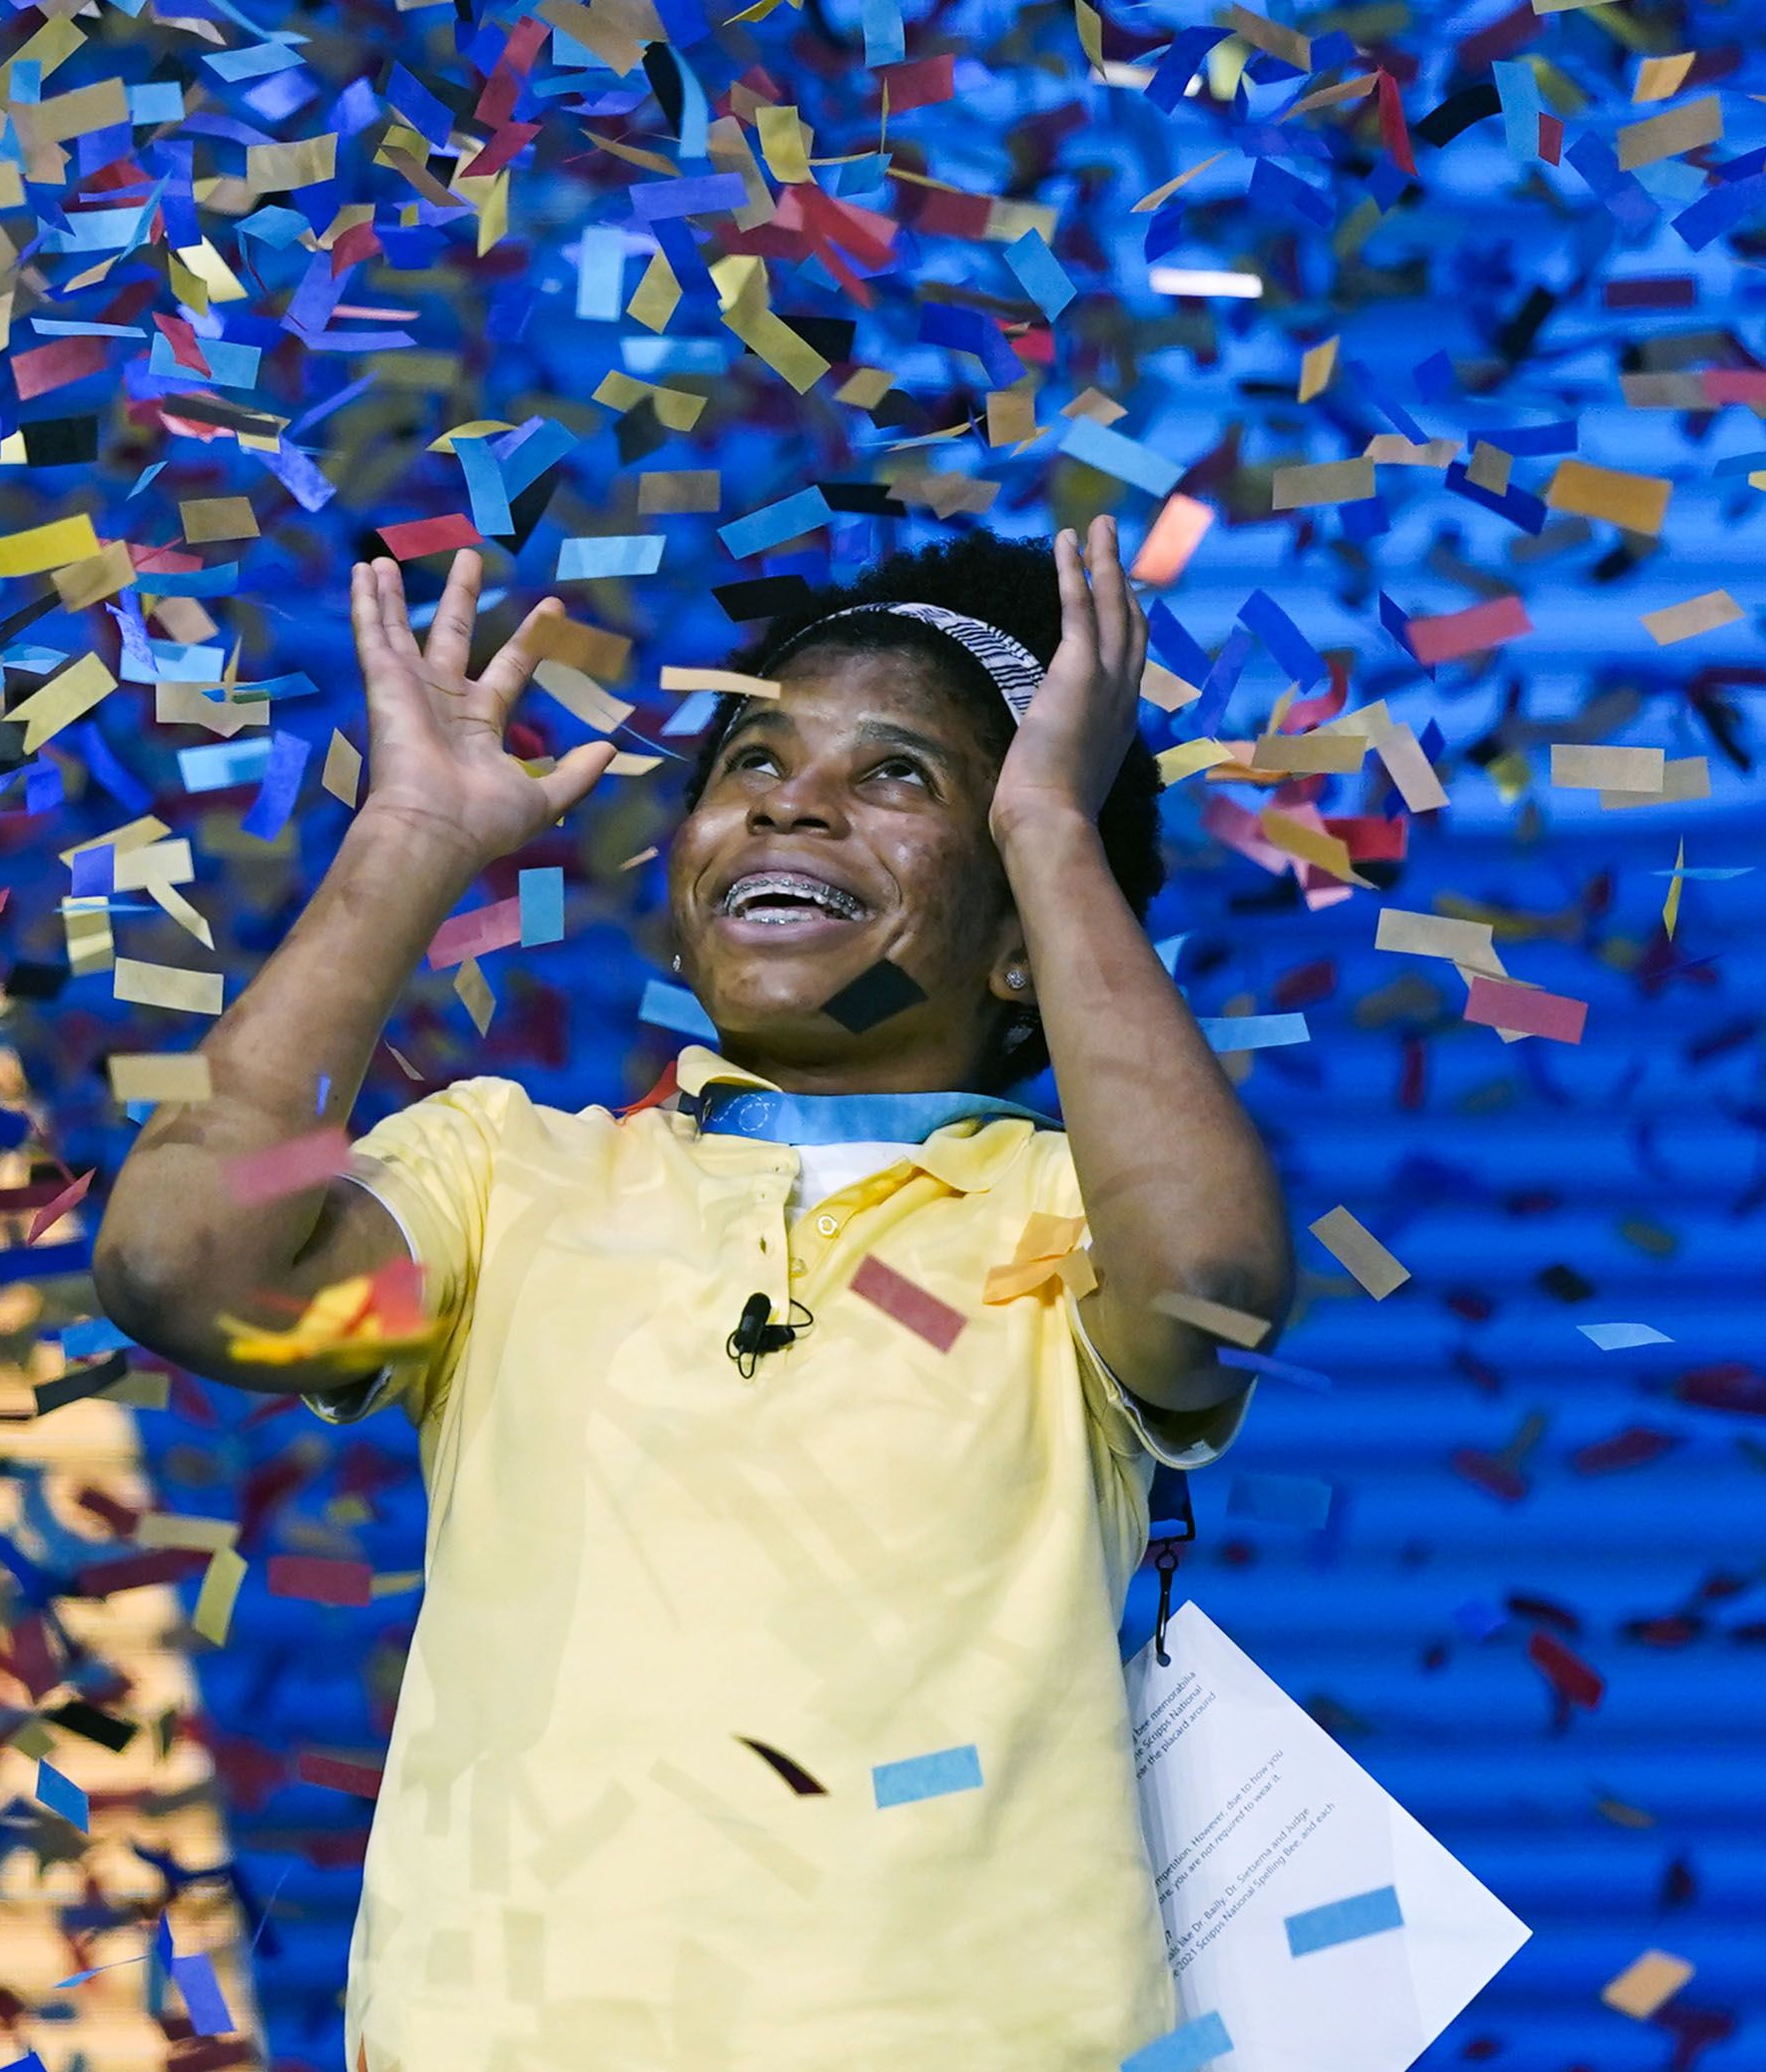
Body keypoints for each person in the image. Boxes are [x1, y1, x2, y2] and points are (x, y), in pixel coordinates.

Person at [95, 515, 1294, 2071]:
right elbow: (183, 1270)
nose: (792, 801)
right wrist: (407, 839)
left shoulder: (1077, 1222)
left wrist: (1057, 833)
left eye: (896, 776)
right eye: (750, 762)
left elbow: (1209, 1291)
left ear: (1016, 937)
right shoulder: (505, 1182)